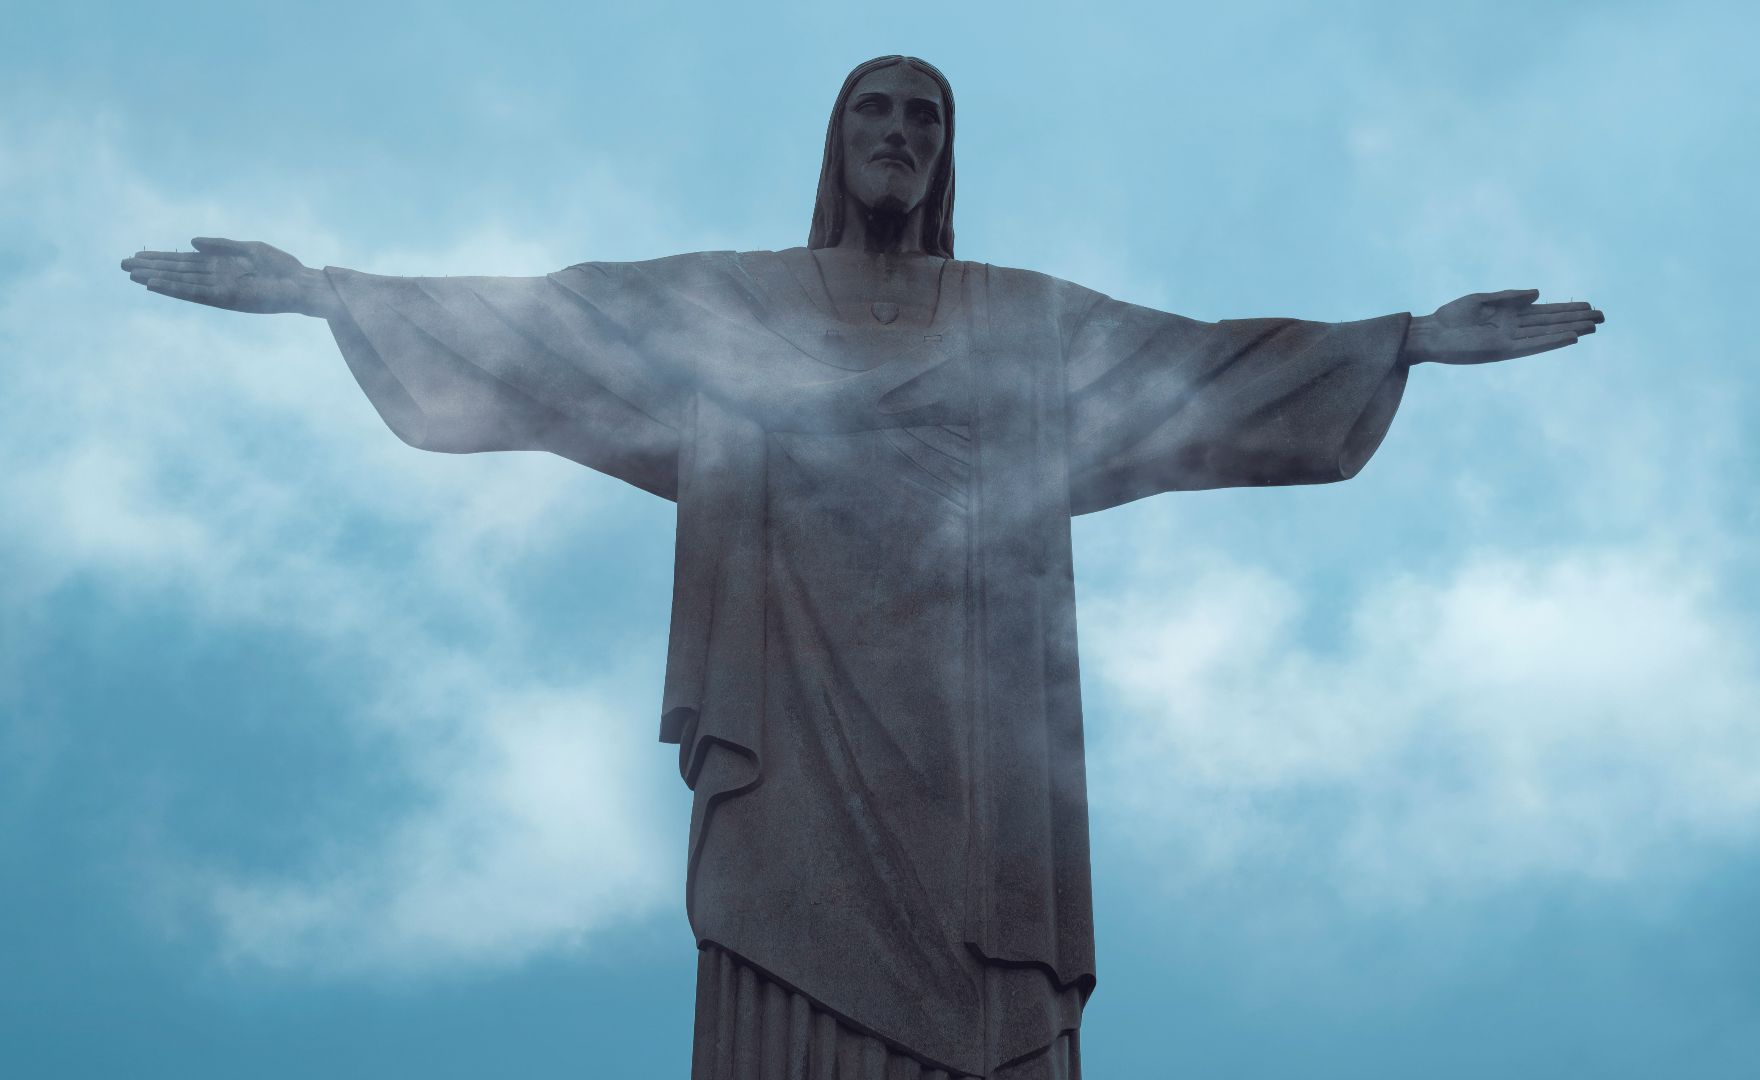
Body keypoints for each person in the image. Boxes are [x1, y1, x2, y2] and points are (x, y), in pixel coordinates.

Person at [122, 54, 1602, 1080]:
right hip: (794, 703)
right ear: (835, 144)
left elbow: (1195, 369)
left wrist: (1399, 338)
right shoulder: (736, 304)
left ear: (947, 154)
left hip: (973, 725)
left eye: (925, 117)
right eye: (875, 110)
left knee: (988, 996)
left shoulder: (1024, 320)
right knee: (779, 982)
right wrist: (323, 292)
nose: (899, 133)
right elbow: (549, 328)